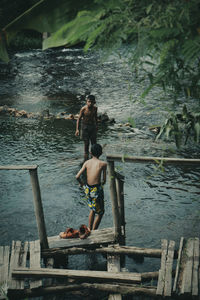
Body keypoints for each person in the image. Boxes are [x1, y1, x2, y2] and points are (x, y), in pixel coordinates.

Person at [75, 144, 107, 231]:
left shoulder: (87, 162)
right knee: (100, 213)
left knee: (92, 209)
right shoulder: (103, 164)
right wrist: (102, 184)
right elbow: (104, 180)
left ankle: (89, 229)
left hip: (88, 189)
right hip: (96, 189)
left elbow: (77, 176)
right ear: (101, 153)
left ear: (90, 152)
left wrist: (82, 185)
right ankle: (94, 231)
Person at [75, 95, 98, 162]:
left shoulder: (95, 108)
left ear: (94, 102)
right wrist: (77, 129)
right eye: (89, 102)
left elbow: (95, 117)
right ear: (86, 102)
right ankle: (86, 158)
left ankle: (94, 157)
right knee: (86, 143)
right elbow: (78, 119)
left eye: (92, 102)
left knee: (94, 143)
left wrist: (97, 126)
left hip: (92, 126)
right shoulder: (83, 109)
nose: (90, 103)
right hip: (85, 127)